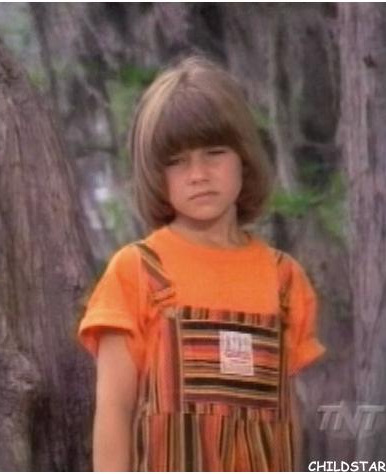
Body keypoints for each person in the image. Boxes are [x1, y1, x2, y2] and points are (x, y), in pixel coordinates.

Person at [78, 56, 326, 472]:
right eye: (177, 161)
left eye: (214, 152)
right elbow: (114, 409)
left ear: (244, 158)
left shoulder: (284, 280)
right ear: (157, 175)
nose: (198, 174)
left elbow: (287, 414)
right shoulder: (137, 271)